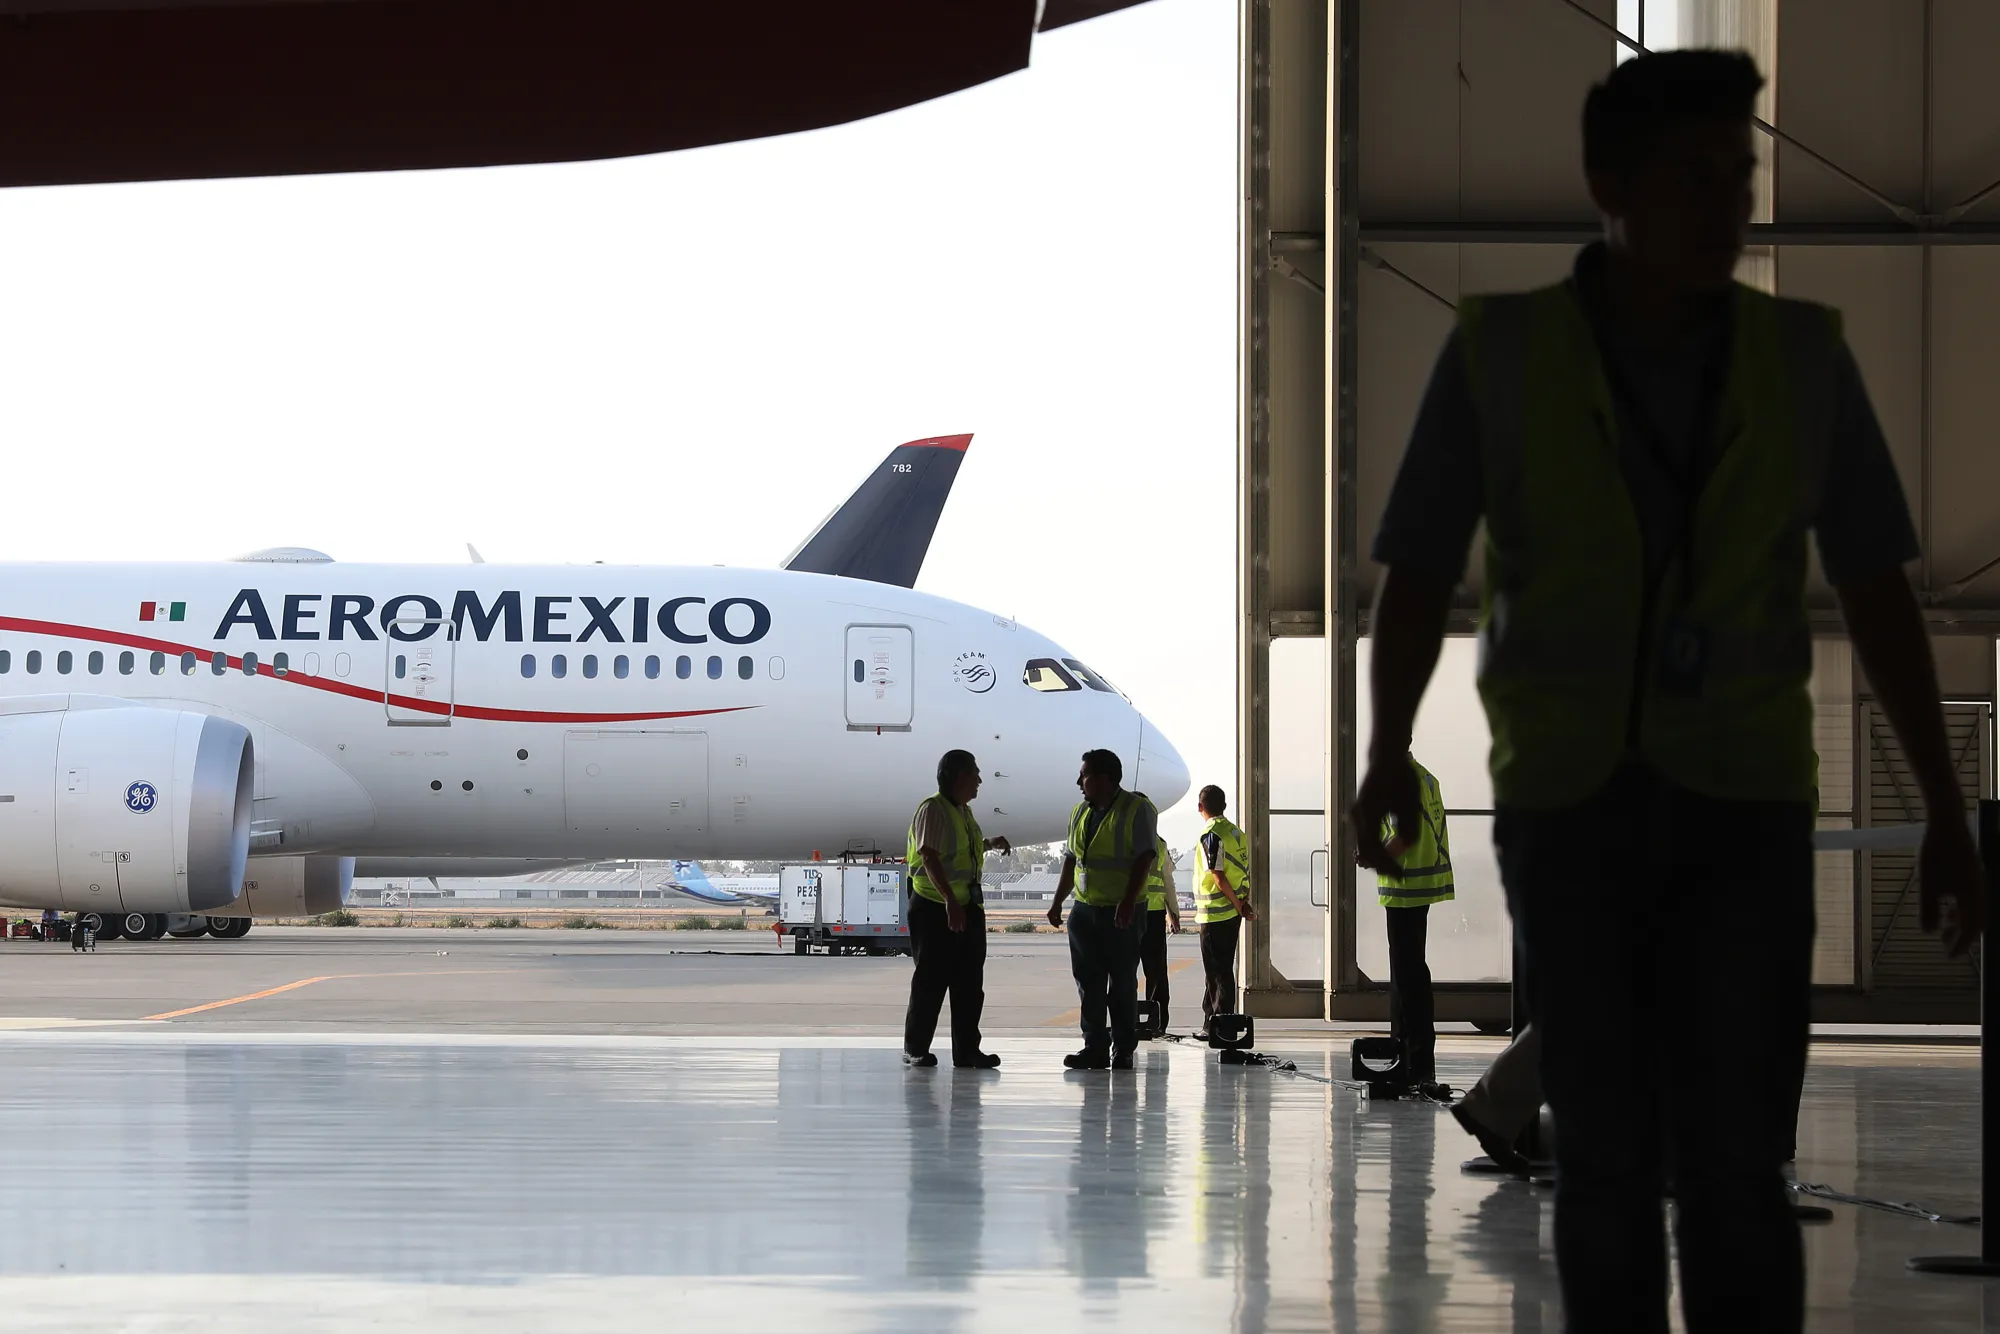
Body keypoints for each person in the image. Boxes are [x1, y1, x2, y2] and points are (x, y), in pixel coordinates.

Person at [1350, 49, 1983, 1334]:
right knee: (1605, 1166)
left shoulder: (1801, 358)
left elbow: (1876, 592)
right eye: (1693, 178)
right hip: (1569, 810)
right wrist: (1382, 752)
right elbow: (1413, 575)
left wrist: (1945, 806)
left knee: (1735, 1171)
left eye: (1736, 176)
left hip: (1744, 808)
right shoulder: (1503, 353)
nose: (1725, 206)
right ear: (1607, 185)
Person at [1047, 748, 1156, 1070]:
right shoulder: (1079, 812)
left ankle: (1123, 1048)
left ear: (1105, 778)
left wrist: (1126, 901)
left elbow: (1144, 858)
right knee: (1089, 983)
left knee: (1121, 983)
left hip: (1122, 911)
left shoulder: (1137, 810)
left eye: (1085, 775)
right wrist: (1058, 902)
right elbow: (1071, 860)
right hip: (1085, 911)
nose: (1079, 781)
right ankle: (1094, 1046)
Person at [903, 748, 1009, 1069]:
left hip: (966, 905)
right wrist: (950, 901)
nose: (979, 780)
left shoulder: (962, 811)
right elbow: (930, 857)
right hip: (937, 908)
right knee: (931, 983)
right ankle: (916, 1049)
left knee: (969, 985)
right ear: (960, 777)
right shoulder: (933, 810)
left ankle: (967, 1051)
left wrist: (990, 843)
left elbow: (963, 850)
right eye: (975, 774)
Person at [1370, 755, 1453, 1092]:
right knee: (1412, 976)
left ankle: (1413, 1065)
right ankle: (1411, 1061)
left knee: (1408, 982)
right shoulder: (1427, 777)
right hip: (1420, 887)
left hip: (1405, 889)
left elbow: (1405, 835)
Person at [1191, 785, 1253, 1039]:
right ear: (1224, 807)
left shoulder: (1211, 835)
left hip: (1216, 912)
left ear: (1200, 807)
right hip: (1232, 910)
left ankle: (1220, 1027)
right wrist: (1242, 902)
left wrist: (1238, 905)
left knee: (1218, 972)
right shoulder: (1237, 833)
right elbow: (1243, 870)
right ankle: (1211, 1022)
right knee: (1221, 970)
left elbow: (1218, 876)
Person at [1138, 831, 1181, 1035]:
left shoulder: (1122, 836)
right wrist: (1174, 912)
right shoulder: (1160, 843)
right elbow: (1168, 881)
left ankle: (1126, 1020)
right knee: (1156, 971)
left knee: (1123, 972)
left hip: (1128, 911)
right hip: (1154, 913)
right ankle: (1158, 1022)